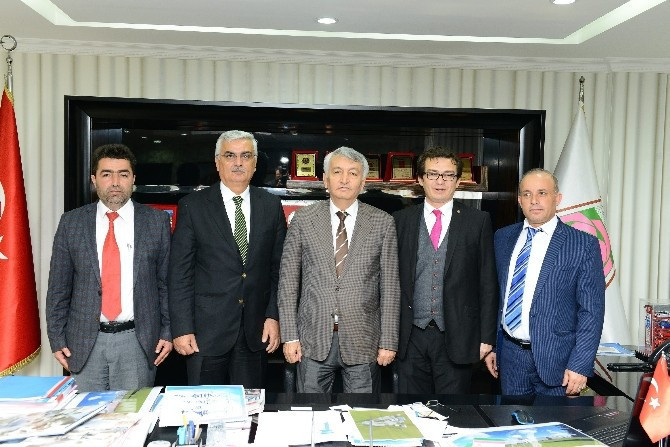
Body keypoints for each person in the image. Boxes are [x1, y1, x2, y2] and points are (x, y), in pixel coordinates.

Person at [46, 144, 172, 391]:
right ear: (94, 180)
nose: (115, 182)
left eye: (123, 174)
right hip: (83, 343)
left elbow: (165, 283)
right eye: (106, 174)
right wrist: (56, 337)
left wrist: (168, 331)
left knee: (132, 413)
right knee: (86, 414)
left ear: (133, 179)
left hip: (138, 342)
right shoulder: (71, 222)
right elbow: (58, 287)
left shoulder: (156, 222)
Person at [168, 130, 286, 387]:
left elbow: (279, 270)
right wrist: (182, 328)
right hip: (204, 334)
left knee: (249, 406)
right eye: (230, 156)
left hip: (255, 332)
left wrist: (273, 316)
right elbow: (180, 274)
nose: (238, 163)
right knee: (203, 407)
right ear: (217, 162)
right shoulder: (193, 206)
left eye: (246, 156)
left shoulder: (270, 206)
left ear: (255, 163)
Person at [278, 146, 400, 393]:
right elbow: (288, 282)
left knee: (363, 414)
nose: (344, 179)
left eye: (353, 173)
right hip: (312, 340)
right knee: (311, 412)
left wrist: (388, 341)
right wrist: (289, 336)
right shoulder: (303, 219)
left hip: (363, 340)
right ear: (325, 179)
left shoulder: (383, 222)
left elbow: (390, 287)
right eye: (337, 172)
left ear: (363, 183)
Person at [485, 168, 605, 396]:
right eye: (527, 194)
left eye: (542, 193)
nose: (534, 200)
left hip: (559, 363)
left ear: (557, 198)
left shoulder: (583, 244)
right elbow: (497, 296)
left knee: (555, 421)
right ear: (520, 200)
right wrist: (493, 345)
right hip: (510, 359)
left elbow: (591, 311)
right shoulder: (503, 237)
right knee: (512, 419)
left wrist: (580, 364)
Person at [393, 147, 498, 394]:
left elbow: (487, 283)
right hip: (409, 336)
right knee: (409, 409)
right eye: (433, 174)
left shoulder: (477, 221)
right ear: (420, 179)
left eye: (448, 175)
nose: (440, 181)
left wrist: (487, 338)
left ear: (458, 181)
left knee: (454, 410)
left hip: (458, 336)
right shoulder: (400, 220)